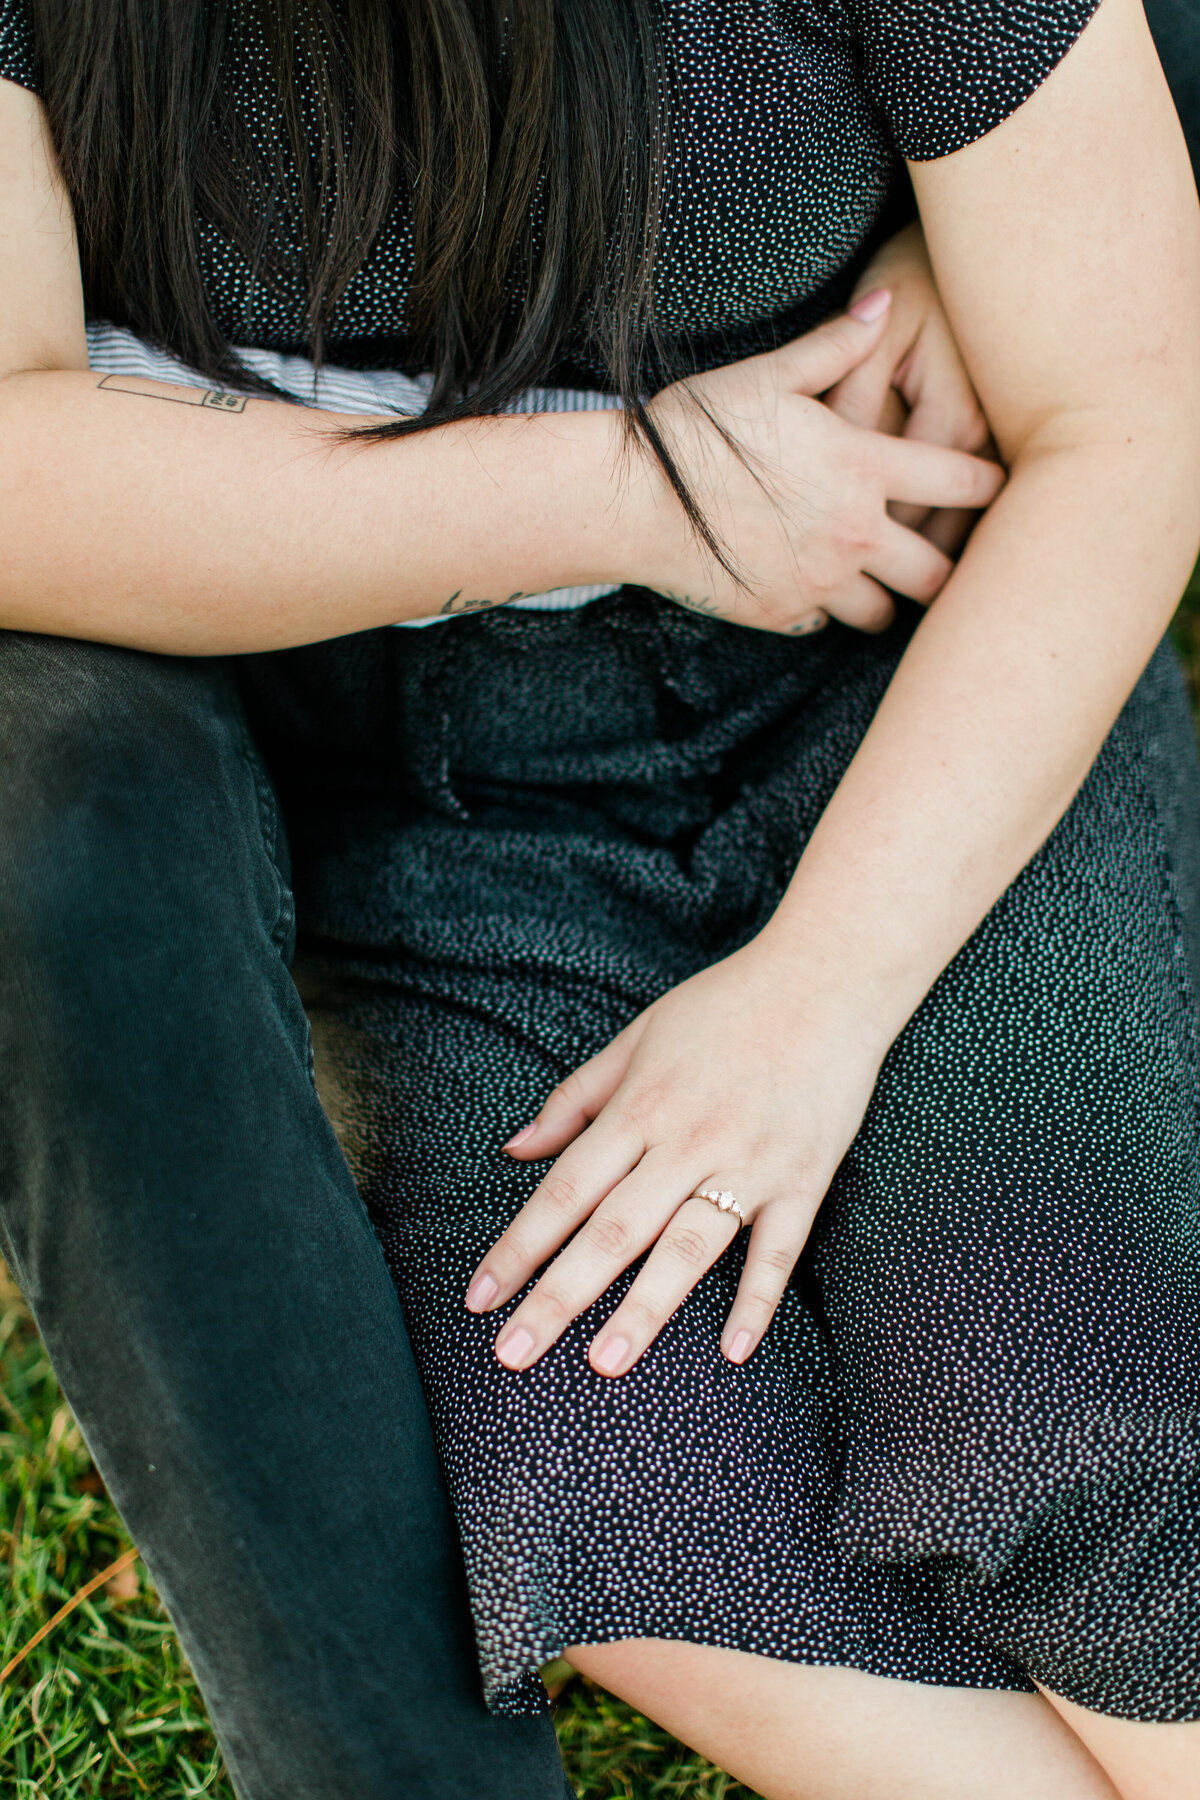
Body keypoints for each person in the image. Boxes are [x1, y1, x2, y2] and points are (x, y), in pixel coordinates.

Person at [0, 3, 1198, 1799]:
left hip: (891, 689)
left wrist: (823, 987)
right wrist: (634, 487)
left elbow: (1128, 412)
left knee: (1056, 1387)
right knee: (607, 1456)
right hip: (416, 823)